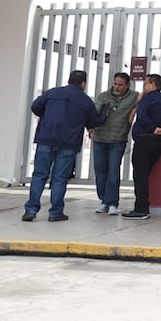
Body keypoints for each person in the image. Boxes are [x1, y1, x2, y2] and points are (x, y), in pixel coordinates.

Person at [22, 70, 102, 222]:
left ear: (69, 80)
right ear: (83, 83)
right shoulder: (85, 101)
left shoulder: (52, 93)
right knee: (59, 178)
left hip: (46, 138)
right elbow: (93, 122)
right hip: (68, 143)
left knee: (39, 175)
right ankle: (55, 212)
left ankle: (31, 210)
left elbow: (35, 107)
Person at [122, 73, 161, 219]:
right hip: (157, 143)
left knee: (139, 176)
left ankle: (141, 209)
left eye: (145, 84)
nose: (143, 87)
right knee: (143, 174)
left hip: (144, 141)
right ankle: (142, 206)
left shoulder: (146, 99)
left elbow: (141, 117)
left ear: (152, 85)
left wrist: (151, 128)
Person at [92, 72, 140, 216]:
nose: (116, 87)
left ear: (127, 85)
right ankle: (104, 201)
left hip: (118, 140)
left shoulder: (134, 97)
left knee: (113, 171)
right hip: (100, 138)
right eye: (115, 83)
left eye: (120, 85)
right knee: (100, 171)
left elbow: (142, 100)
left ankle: (112, 202)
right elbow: (94, 112)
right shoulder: (103, 96)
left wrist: (134, 111)